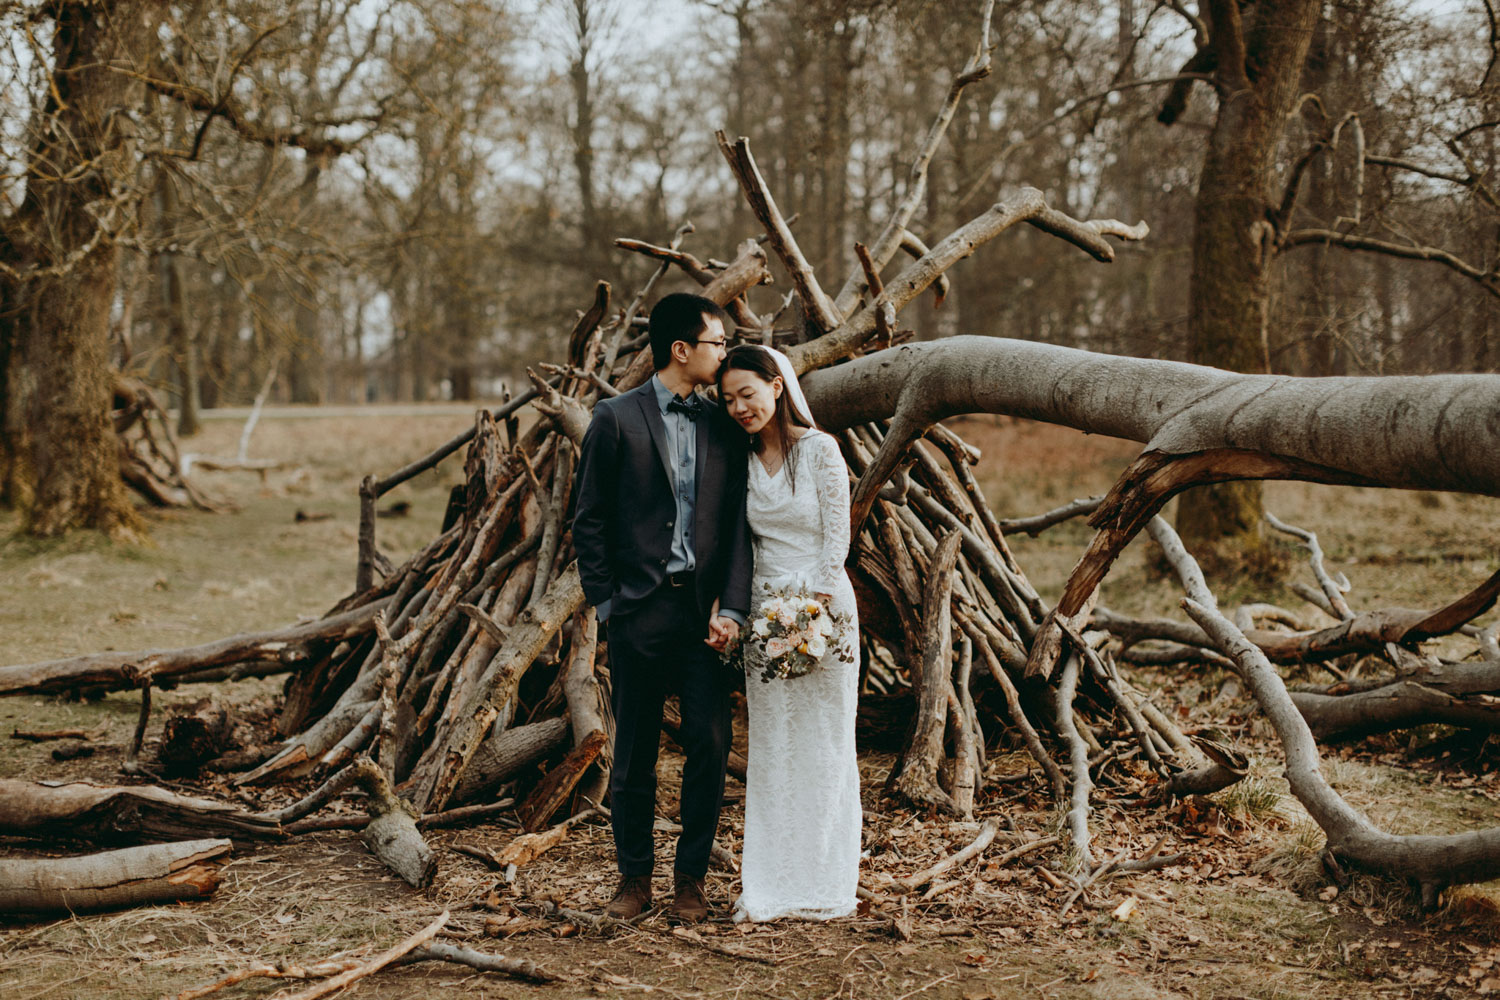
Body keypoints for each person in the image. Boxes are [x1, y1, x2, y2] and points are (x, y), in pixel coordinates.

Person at [572, 293, 752, 923]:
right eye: (717, 343)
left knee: (708, 743)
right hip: (638, 614)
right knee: (634, 753)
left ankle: (691, 882)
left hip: (705, 620)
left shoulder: (724, 425)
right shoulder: (615, 419)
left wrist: (732, 606)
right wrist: (608, 605)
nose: (724, 353)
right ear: (682, 349)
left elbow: (735, 530)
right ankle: (634, 879)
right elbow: (588, 520)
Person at [717, 344, 861, 922]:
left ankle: (826, 881)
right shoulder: (742, 460)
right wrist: (765, 617)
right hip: (765, 610)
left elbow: (836, 537)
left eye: (747, 394)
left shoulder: (821, 450)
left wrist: (813, 612)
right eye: (728, 400)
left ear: (777, 386)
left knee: (825, 743)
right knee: (774, 745)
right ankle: (772, 884)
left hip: (824, 610)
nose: (739, 408)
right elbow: (742, 543)